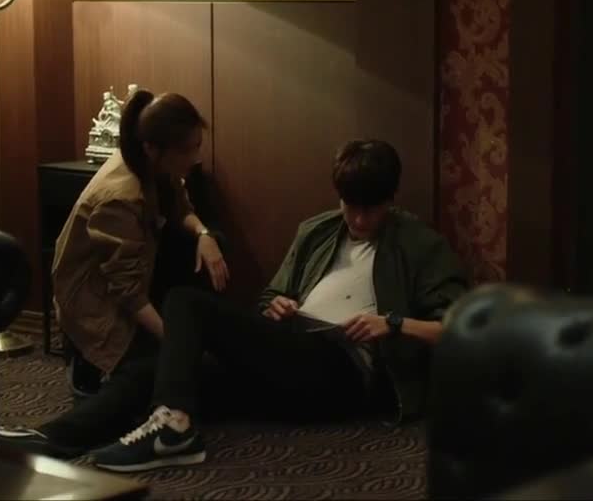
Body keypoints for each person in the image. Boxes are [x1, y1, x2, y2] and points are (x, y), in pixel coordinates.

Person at [88, 139, 469, 472]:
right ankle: (61, 437)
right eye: (349, 205)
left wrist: (392, 323)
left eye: (369, 210)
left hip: (343, 371)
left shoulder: (419, 245)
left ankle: (172, 432)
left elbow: (460, 328)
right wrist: (278, 306)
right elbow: (269, 298)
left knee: (185, 301)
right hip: (288, 360)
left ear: (390, 199)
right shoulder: (318, 230)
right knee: (155, 374)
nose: (357, 219)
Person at [0, 89, 230, 457]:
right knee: (154, 372)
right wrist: (177, 344)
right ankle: (51, 436)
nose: (194, 157)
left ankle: (87, 410)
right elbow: (128, 293)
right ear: (154, 149)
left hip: (131, 285)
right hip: (94, 302)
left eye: (196, 147)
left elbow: (179, 206)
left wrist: (204, 235)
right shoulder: (119, 196)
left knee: (188, 373)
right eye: (187, 150)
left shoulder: (155, 166)